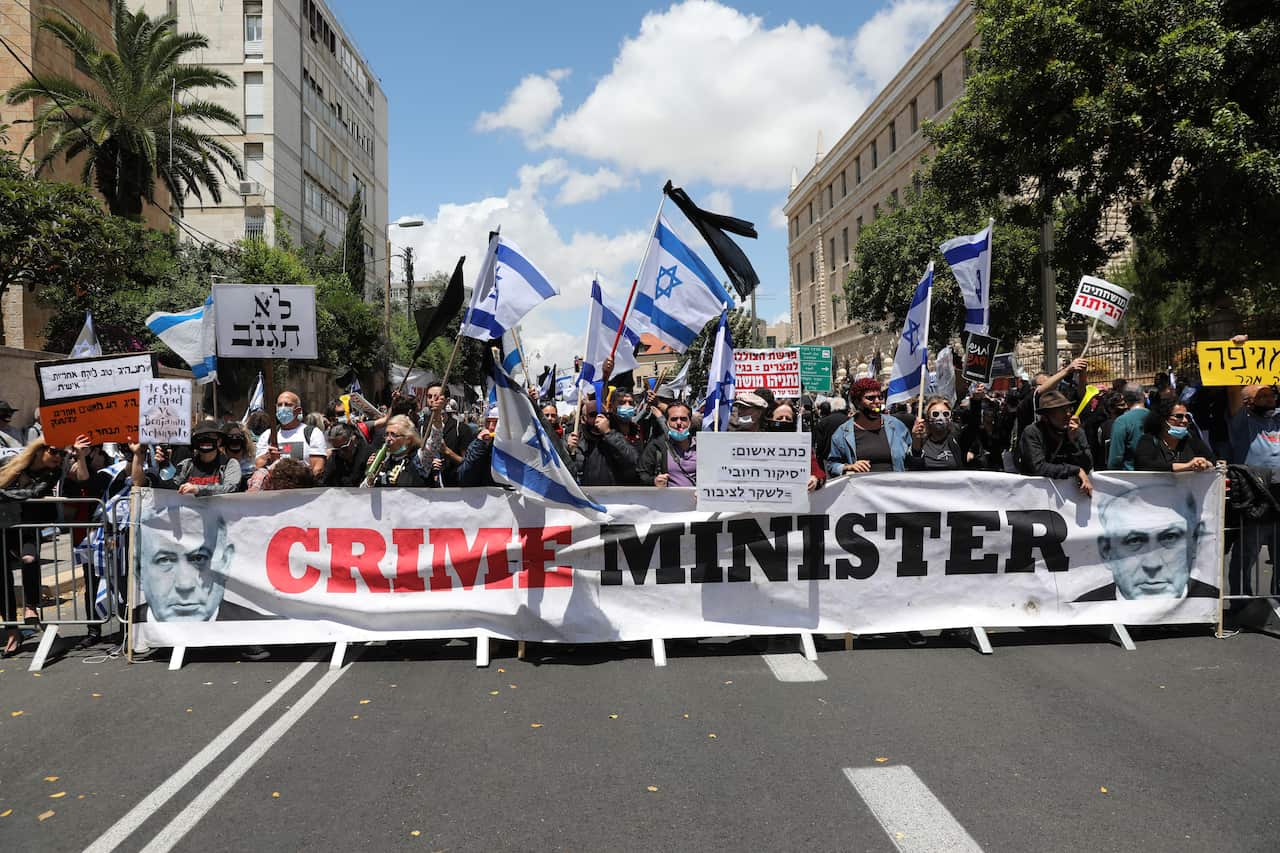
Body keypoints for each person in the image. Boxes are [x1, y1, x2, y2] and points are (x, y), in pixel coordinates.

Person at [1075, 482, 1216, 600]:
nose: (1152, 564)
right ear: (1106, 552)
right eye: (1134, 541)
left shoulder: (1212, 602)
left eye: (1169, 537)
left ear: (1195, 543)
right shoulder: (1081, 611)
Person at [134, 504, 270, 621]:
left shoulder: (261, 629)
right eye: (165, 560)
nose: (184, 585)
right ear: (139, 570)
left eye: (199, 559)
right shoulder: (127, 630)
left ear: (225, 562)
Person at [0, 438, 66, 655]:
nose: (59, 457)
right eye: (55, 451)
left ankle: (31, 606)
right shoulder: (11, 464)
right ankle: (12, 631)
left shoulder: (52, 473)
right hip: (3, 525)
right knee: (3, 578)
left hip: (27, 526)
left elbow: (32, 494)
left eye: (62, 454)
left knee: (30, 558)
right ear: (39, 451)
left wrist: (3, 495)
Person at [131, 419, 241, 495]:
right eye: (201, 437)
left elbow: (231, 489)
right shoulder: (187, 465)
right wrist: (165, 465)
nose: (205, 440)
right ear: (195, 442)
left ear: (219, 441)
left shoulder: (229, 464)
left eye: (210, 436)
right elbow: (171, 488)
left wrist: (198, 489)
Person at [1017, 390, 1094, 496]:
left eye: (1069, 409)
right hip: (1037, 495)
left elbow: (1088, 465)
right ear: (1046, 416)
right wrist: (1075, 470)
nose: (1068, 414)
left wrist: (1073, 442)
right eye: (1062, 411)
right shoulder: (1033, 432)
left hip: (1071, 496)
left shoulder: (1076, 431)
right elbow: (1038, 467)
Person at [826, 379, 910, 475]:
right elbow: (831, 465)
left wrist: (917, 440)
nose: (877, 401)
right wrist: (848, 467)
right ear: (857, 402)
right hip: (861, 488)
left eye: (880, 397)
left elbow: (911, 458)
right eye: (871, 398)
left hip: (894, 487)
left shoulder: (896, 425)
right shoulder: (842, 433)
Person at [567, 398, 640, 486]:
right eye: (593, 415)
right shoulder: (573, 439)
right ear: (583, 419)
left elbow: (632, 460)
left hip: (611, 494)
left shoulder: (615, 436)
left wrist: (608, 433)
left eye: (602, 415)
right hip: (585, 494)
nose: (598, 418)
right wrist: (569, 451)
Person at [255, 390, 327, 477]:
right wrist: (268, 457)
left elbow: (318, 468)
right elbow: (258, 466)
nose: (282, 408)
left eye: (288, 405)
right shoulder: (267, 435)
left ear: (298, 410)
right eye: (279, 405)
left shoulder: (313, 434)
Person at [1134, 400, 1215, 473]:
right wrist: (1187, 466)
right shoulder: (1149, 439)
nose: (1185, 420)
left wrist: (1204, 463)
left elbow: (1212, 460)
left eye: (1187, 416)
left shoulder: (1190, 437)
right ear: (1163, 419)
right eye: (1179, 416)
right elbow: (1144, 465)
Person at [637, 401, 697, 487]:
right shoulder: (657, 446)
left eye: (683, 419)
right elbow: (641, 474)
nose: (679, 423)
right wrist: (654, 481)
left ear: (690, 422)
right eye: (674, 419)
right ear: (666, 423)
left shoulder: (702, 447)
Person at [906, 395, 973, 470]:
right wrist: (916, 440)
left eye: (945, 414)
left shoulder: (956, 440)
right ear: (928, 418)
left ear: (950, 418)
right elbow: (915, 467)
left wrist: (976, 400)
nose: (940, 418)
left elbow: (974, 426)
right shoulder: (921, 442)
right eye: (935, 414)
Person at [369, 415, 436, 487]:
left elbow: (434, 441)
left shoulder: (419, 459)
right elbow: (365, 490)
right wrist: (371, 475)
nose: (388, 439)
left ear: (408, 439)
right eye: (386, 434)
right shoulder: (384, 459)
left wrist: (437, 417)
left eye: (393, 435)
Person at [1105, 383, 1148, 470]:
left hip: (1129, 478)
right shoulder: (1158, 418)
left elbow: (1115, 459)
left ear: (1125, 399)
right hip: (1156, 476)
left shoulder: (1121, 422)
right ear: (1144, 395)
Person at [319, 422, 373, 487]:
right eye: (337, 449)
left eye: (344, 448)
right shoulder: (335, 457)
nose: (341, 452)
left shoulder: (368, 455)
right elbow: (324, 482)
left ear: (354, 439)